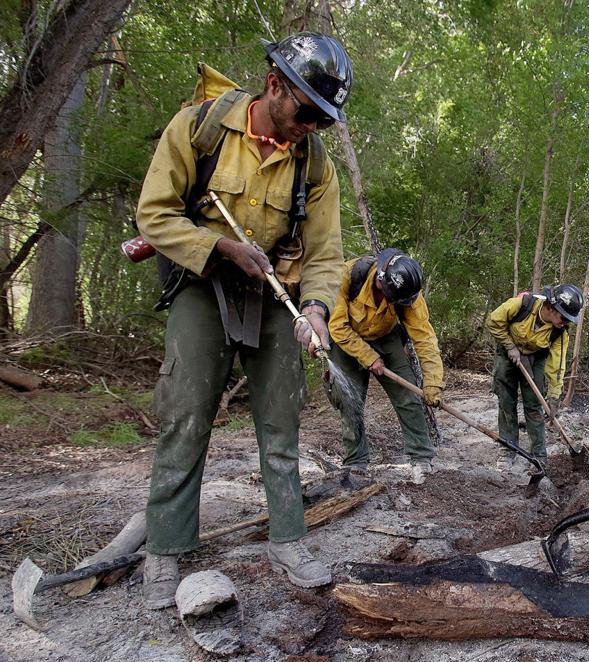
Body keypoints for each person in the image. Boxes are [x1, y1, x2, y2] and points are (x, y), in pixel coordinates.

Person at [135, 33, 352, 609]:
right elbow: (153, 215)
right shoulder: (197, 127)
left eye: (323, 120)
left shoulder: (315, 163)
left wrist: (316, 310)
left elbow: (327, 252)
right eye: (307, 112)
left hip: (278, 291)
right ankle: (166, 548)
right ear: (275, 86)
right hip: (202, 284)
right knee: (186, 415)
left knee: (282, 422)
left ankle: (289, 539)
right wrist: (223, 249)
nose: (312, 126)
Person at [327, 249, 442, 480]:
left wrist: (433, 383)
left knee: (408, 397)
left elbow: (424, 337)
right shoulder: (347, 276)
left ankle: (421, 457)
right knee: (349, 400)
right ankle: (356, 461)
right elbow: (337, 326)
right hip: (346, 339)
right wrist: (369, 357)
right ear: (381, 280)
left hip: (386, 336)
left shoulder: (409, 292)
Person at [485, 284, 583, 468]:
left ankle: (538, 455)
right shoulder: (522, 304)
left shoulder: (559, 332)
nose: (566, 322)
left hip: (535, 357)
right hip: (508, 351)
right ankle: (508, 449)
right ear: (552, 308)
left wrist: (554, 397)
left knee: (534, 405)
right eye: (564, 317)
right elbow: (494, 320)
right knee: (506, 402)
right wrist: (510, 346)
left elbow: (557, 366)